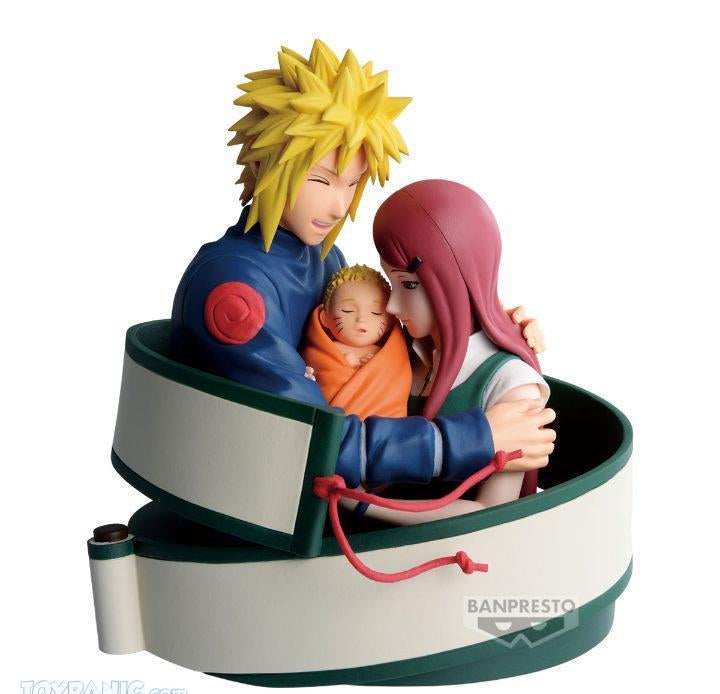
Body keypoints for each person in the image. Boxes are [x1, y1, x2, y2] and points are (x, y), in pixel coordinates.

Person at [171, 40, 555, 491]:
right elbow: (311, 444)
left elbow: (382, 339)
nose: (339, 207)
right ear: (259, 165)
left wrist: (481, 322)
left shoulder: (324, 258)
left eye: (352, 184)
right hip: (264, 500)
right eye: (320, 180)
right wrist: (475, 438)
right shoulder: (235, 291)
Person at [362, 179, 555, 523]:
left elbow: (489, 514)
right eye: (391, 283)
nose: (391, 305)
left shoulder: (511, 385)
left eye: (408, 284)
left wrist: (361, 503)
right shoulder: (397, 345)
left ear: (456, 279)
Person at [300, 265, 411, 420]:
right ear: (325, 318)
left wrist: (373, 366)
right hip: (329, 423)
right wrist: (343, 364)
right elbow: (311, 385)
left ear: (389, 323)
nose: (361, 319)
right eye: (348, 310)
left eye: (375, 312)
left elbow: (394, 386)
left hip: (378, 428)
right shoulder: (319, 352)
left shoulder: (390, 357)